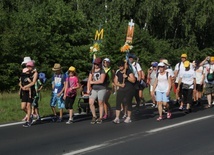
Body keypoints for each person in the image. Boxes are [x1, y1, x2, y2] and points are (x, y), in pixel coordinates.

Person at [87, 57, 107, 124]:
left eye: (97, 64)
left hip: (101, 88)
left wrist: (93, 82)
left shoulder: (102, 71)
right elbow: (89, 80)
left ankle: (100, 117)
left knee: (100, 102)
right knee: (91, 102)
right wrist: (88, 88)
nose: (96, 65)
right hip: (94, 89)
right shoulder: (92, 71)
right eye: (95, 64)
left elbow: (101, 81)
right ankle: (94, 116)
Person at [20, 61, 38, 127]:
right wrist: (22, 87)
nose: (28, 67)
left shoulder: (35, 73)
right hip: (25, 91)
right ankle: (30, 115)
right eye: (27, 66)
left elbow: (33, 82)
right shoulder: (25, 72)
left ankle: (28, 121)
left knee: (28, 106)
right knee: (22, 107)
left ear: (32, 66)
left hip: (31, 91)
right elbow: (21, 81)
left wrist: (26, 86)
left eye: (30, 66)